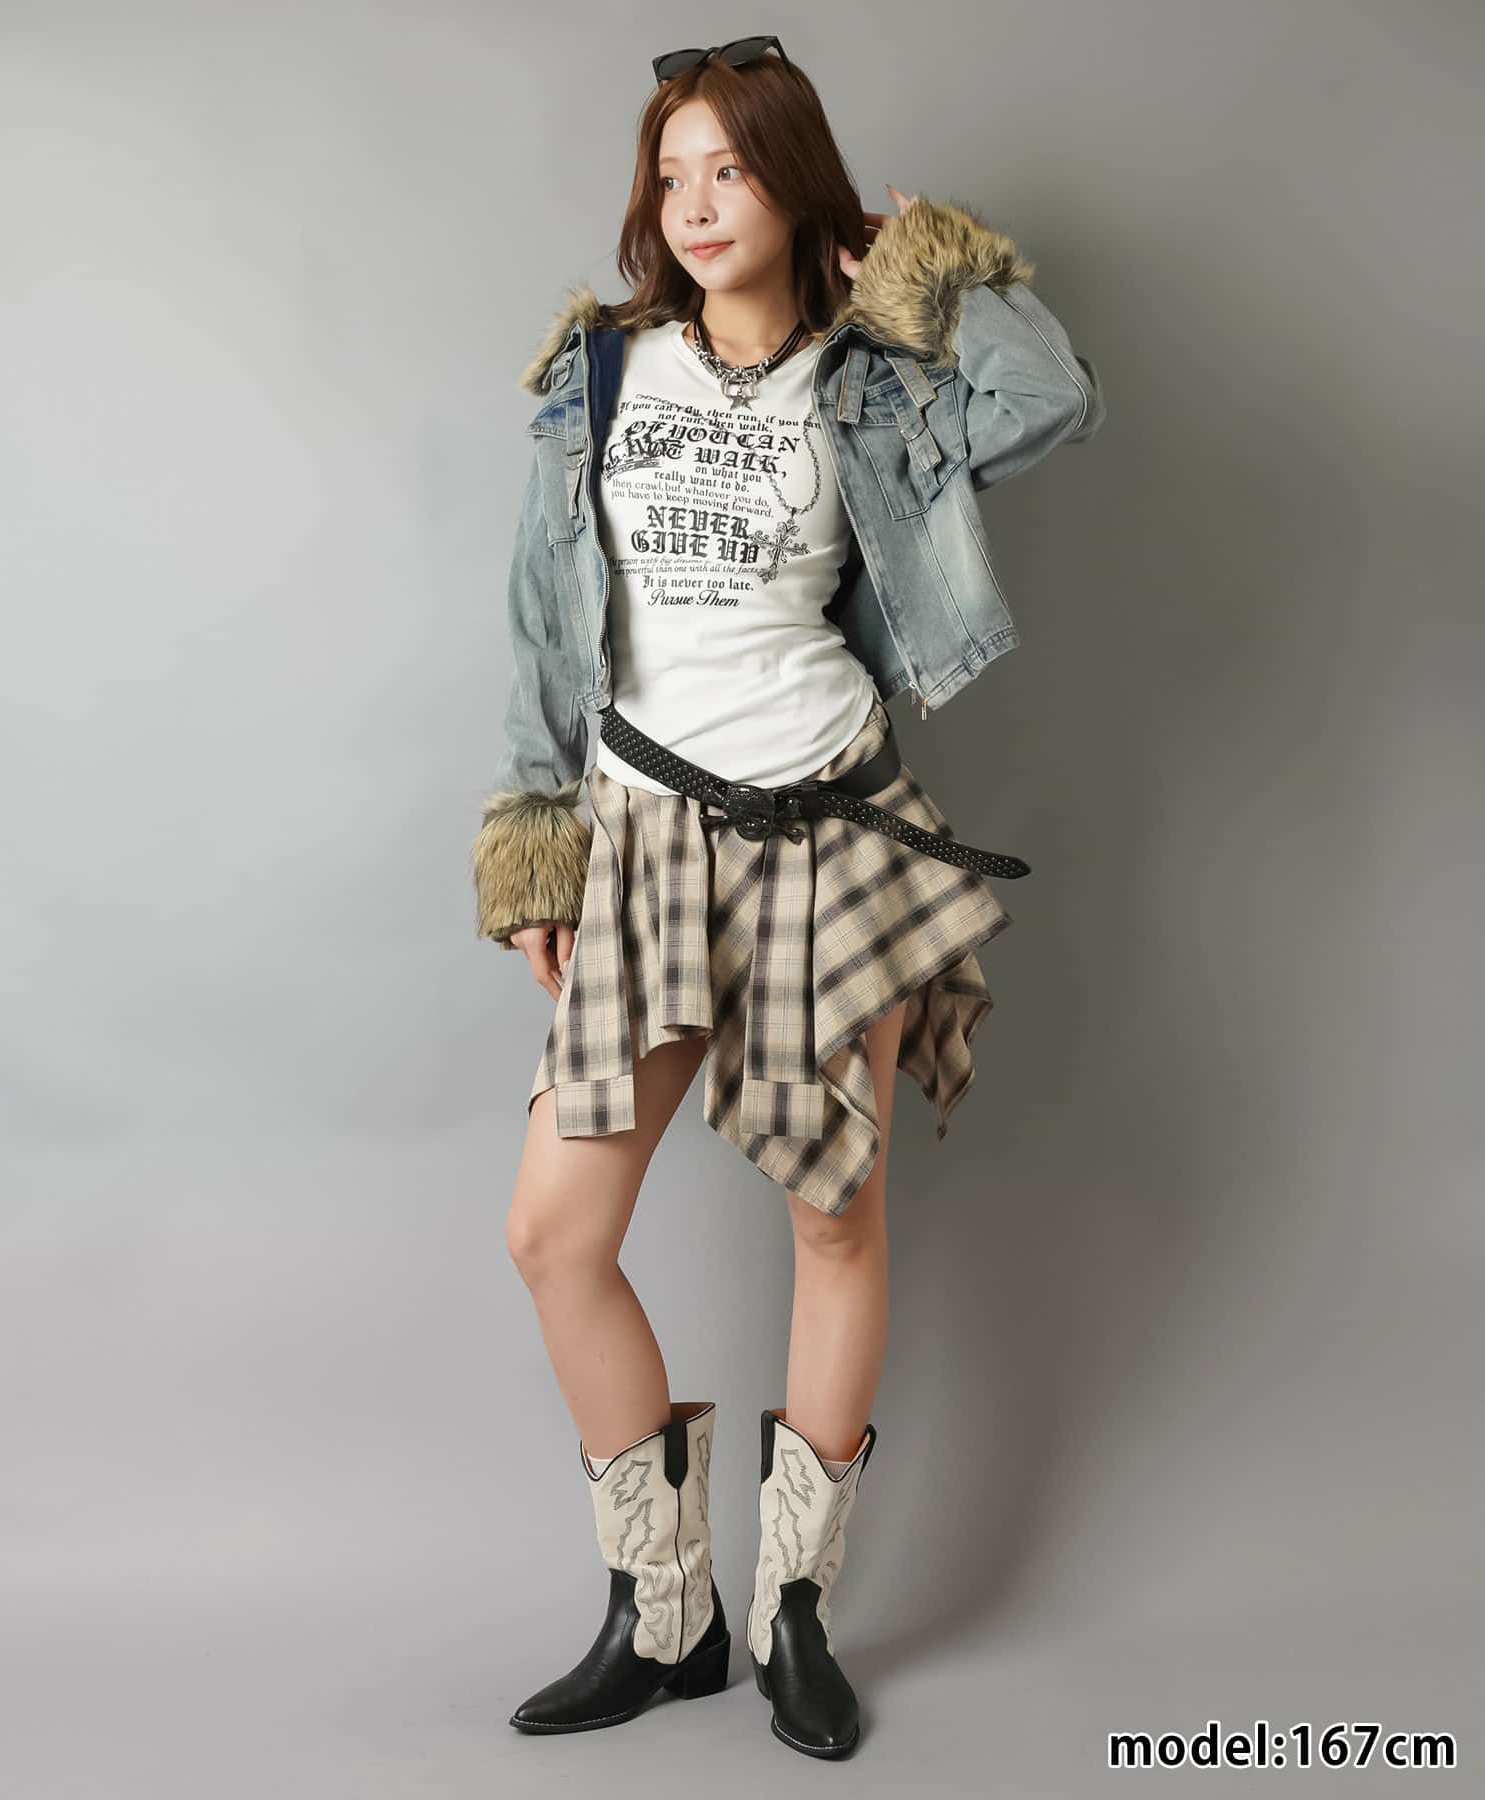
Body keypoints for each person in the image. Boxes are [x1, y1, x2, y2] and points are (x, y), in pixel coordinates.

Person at [471, 36, 1105, 1759]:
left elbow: (1052, 401)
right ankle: (660, 1609)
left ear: (795, 183)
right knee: (555, 1232)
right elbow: (542, 614)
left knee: (834, 1222)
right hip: (645, 838)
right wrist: (537, 830)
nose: (693, 206)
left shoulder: (871, 380)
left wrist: (936, 269)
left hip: (832, 834)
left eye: (730, 171)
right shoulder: (604, 373)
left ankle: (794, 1614)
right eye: (670, 176)